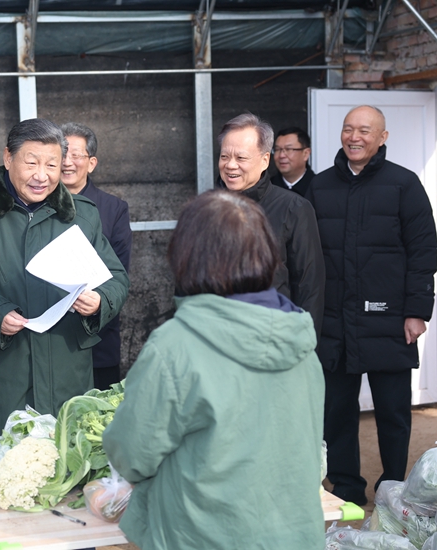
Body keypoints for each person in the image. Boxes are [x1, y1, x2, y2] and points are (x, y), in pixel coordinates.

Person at [0, 118, 129, 550]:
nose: (42, 174)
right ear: (7, 159)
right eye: (32, 162)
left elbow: (115, 278)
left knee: (70, 492)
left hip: (65, 375)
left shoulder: (82, 217)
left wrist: (99, 300)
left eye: (53, 164)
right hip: (2, 374)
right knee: (1, 492)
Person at [103, 190, 325, 550]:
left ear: (189, 255)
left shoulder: (175, 345)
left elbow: (132, 454)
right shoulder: (299, 336)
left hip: (204, 535)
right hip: (295, 533)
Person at [307, 105, 437, 506]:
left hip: (389, 320)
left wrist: (417, 311)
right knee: (337, 412)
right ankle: (346, 485)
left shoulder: (404, 184)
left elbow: (423, 251)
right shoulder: (321, 185)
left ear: (382, 137)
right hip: (334, 322)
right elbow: (307, 255)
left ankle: (393, 487)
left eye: (364, 130)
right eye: (348, 129)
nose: (354, 137)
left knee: (393, 414)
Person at [218, 112, 325, 337]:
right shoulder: (208, 209)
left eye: (241, 158)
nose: (230, 165)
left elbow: (309, 285)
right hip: (218, 338)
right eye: (224, 156)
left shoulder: (294, 208)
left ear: (265, 160)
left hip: (273, 338)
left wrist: (302, 344)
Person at [60, 122, 132, 390]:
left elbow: (120, 272)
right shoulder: (37, 206)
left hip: (98, 333)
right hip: (50, 338)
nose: (67, 162)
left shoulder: (113, 208)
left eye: (75, 155)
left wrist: (100, 300)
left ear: (91, 163)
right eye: (62, 153)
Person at [271, 126, 315, 197]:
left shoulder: (318, 188)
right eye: (277, 149)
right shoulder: (267, 189)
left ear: (306, 154)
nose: (281, 155)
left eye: (288, 149)